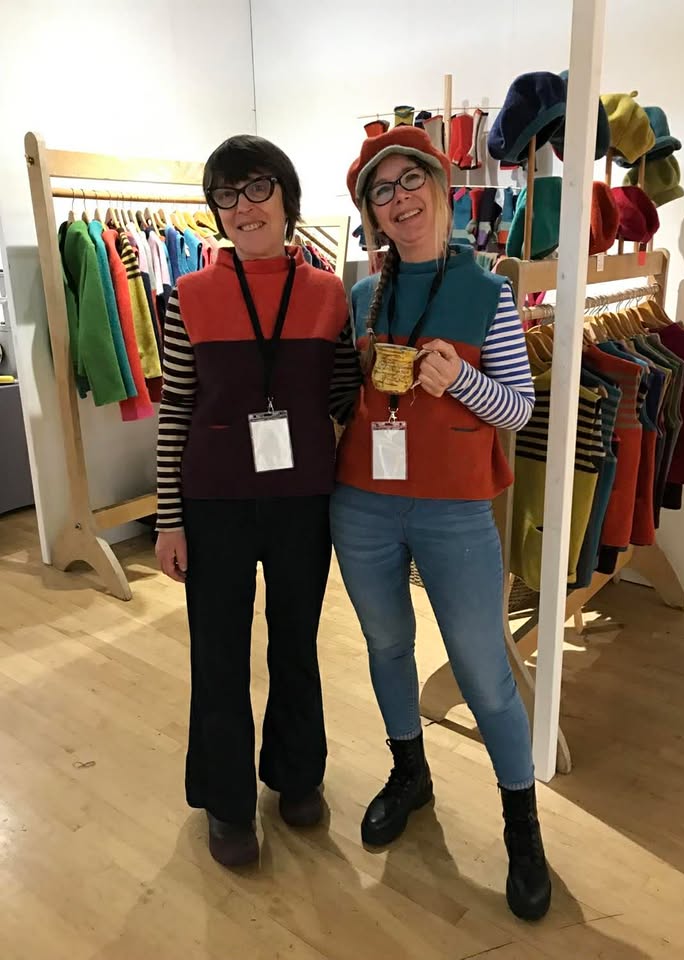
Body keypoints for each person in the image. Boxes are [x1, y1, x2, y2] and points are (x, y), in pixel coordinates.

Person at [330, 126, 552, 921]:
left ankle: (522, 827)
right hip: (361, 503)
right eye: (381, 191)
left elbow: (518, 409)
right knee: (387, 645)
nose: (400, 199)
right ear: (372, 213)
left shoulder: (489, 292)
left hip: (456, 510)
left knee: (484, 670)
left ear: (439, 186)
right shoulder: (362, 295)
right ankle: (410, 773)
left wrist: (460, 379)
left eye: (410, 180)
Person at [155, 134, 359, 867]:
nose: (243, 206)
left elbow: (344, 396)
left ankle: (297, 774)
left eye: (257, 187)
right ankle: (227, 800)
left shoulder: (330, 293)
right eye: (227, 194)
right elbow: (176, 409)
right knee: (218, 652)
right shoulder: (187, 295)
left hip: (304, 499)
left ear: (287, 197)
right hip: (214, 502)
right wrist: (169, 518)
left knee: (296, 642)